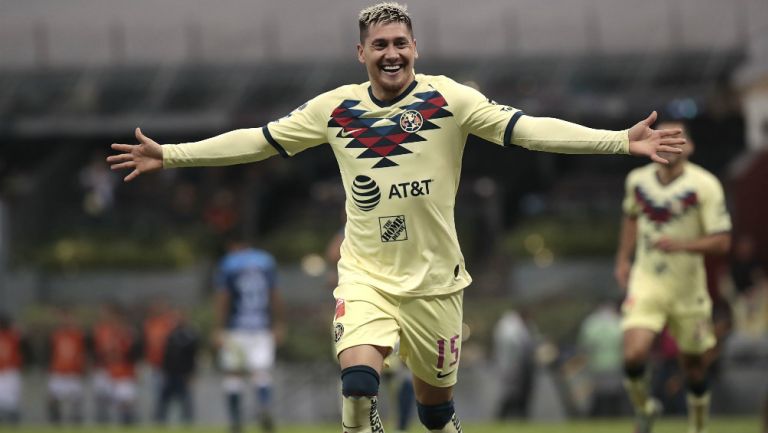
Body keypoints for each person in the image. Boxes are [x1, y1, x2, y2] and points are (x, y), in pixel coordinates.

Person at [108, 3, 685, 431]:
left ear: (416, 48)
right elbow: (258, 141)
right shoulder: (335, 109)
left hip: (436, 284)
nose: (391, 53)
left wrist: (616, 142)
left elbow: (529, 130)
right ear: (361, 54)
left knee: (436, 414)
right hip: (366, 276)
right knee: (358, 386)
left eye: (400, 42)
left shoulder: (448, 101)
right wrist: (172, 154)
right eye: (380, 43)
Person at [614, 120, 731, 433]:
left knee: (693, 367)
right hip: (647, 280)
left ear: (689, 147)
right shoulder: (637, 180)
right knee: (634, 354)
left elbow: (722, 240)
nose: (669, 143)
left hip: (687, 287)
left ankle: (698, 425)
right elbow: (631, 218)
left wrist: (682, 244)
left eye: (676, 138)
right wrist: (623, 259)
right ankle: (645, 409)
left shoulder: (705, 185)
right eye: (662, 137)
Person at [212, 238, 285, 433]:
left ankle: (236, 420)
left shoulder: (230, 263)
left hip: (236, 327)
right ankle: (264, 407)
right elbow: (274, 293)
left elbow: (224, 297)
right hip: (261, 327)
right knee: (261, 373)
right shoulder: (266, 261)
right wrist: (278, 323)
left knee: (233, 373)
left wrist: (219, 327)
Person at [575, 299, 625, 418]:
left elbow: (584, 346)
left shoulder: (590, 323)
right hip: (615, 366)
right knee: (615, 398)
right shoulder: (619, 321)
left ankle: (599, 418)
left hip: (596, 366)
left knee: (599, 397)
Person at [154, 307, 199, 425]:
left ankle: (187, 422)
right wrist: (164, 370)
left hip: (183, 373)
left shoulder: (190, 335)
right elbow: (166, 355)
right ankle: (159, 422)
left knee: (185, 399)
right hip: (170, 373)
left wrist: (192, 372)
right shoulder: (169, 334)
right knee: (164, 399)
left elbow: (193, 356)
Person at [46, 306, 87, 425]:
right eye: (63, 317)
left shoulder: (78, 335)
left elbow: (83, 352)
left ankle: (76, 423)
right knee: (53, 399)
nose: (65, 320)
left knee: (76, 400)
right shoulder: (55, 335)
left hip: (73, 371)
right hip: (58, 370)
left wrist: (83, 366)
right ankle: (56, 423)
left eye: (68, 317)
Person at [492, 309, 535, 420]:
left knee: (513, 397)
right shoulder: (511, 327)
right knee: (510, 397)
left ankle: (509, 420)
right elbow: (519, 348)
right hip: (513, 368)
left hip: (512, 367)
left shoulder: (511, 325)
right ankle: (503, 420)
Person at [0, 312, 25, 425]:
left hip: (11, 371)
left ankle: (13, 423)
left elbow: (22, 341)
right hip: (3, 371)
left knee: (12, 402)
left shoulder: (13, 336)